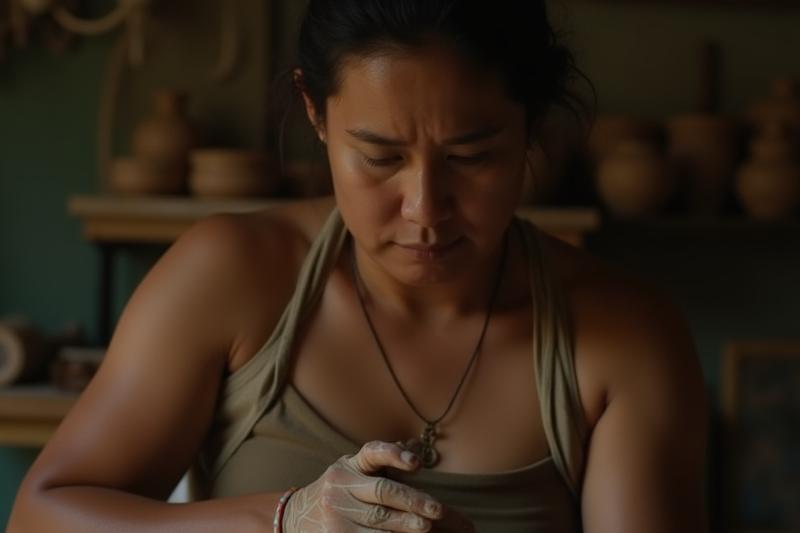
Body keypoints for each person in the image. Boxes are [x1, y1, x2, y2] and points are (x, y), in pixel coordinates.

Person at [8, 1, 709, 531]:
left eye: (473, 155)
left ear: (532, 124)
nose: (424, 208)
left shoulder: (623, 334)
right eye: (379, 156)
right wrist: (287, 519)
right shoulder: (233, 276)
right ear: (317, 114)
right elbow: (42, 514)